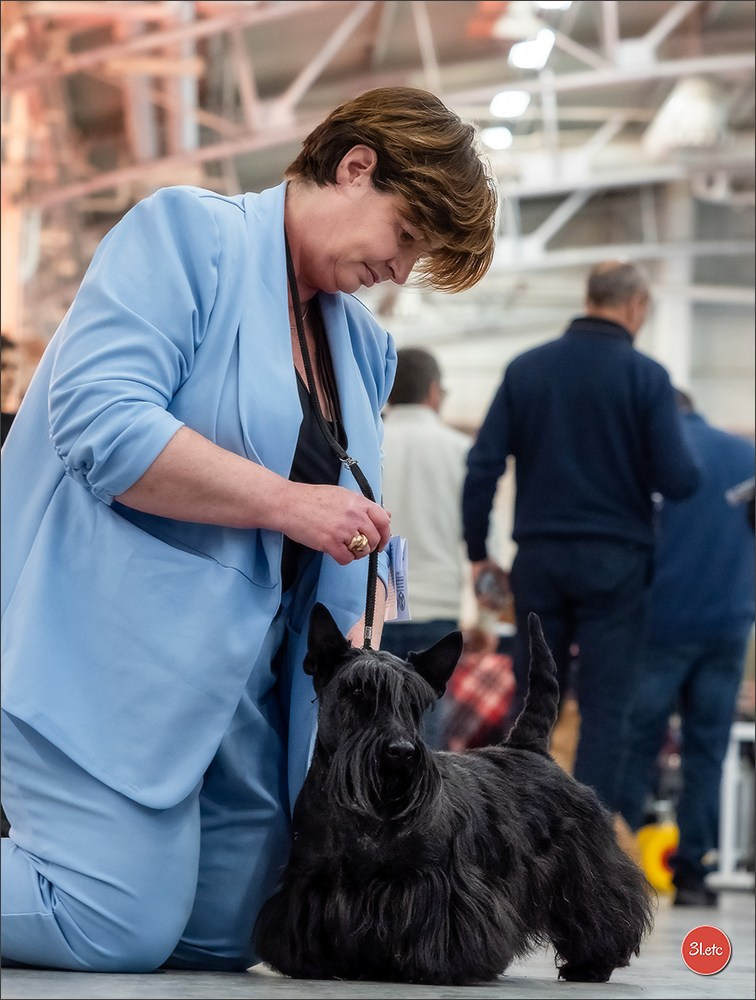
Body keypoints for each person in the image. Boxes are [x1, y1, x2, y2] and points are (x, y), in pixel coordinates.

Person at [0, 86, 497, 972]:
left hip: (248, 699)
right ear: (356, 168)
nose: (402, 269)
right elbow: (100, 422)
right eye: (408, 237)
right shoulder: (187, 236)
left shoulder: (366, 347)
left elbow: (347, 501)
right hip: (107, 658)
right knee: (113, 924)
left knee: (234, 935)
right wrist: (286, 503)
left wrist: (378, 581)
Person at [461, 260, 700, 810]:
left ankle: (521, 832)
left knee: (535, 697)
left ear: (589, 297)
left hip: (540, 558)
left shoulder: (526, 370)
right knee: (605, 707)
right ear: (636, 307)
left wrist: (479, 553)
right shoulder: (647, 378)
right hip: (616, 562)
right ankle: (588, 847)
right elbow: (680, 479)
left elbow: (483, 467)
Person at [615, 389, 755, 907]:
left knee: (637, 746)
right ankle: (696, 876)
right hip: (730, 624)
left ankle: (620, 872)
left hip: (660, 625)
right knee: (707, 753)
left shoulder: (654, 457)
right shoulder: (747, 456)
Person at [379, 346, 473, 748]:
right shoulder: (460, 451)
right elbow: (480, 538)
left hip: (372, 607)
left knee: (368, 729)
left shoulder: (365, 439)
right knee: (424, 737)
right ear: (434, 391)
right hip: (436, 608)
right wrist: (484, 618)